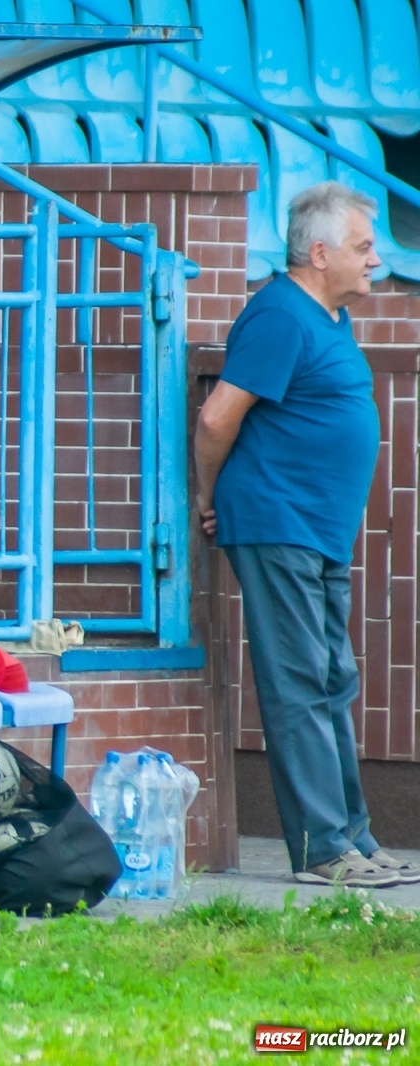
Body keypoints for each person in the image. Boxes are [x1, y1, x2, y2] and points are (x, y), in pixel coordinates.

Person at [194, 182, 419, 889]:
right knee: (298, 683)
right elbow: (217, 417)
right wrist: (208, 495)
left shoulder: (329, 316)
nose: (375, 260)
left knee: (331, 680)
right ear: (319, 254)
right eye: (363, 247)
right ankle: (322, 850)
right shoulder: (280, 315)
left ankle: (353, 837)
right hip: (278, 523)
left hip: (317, 533)